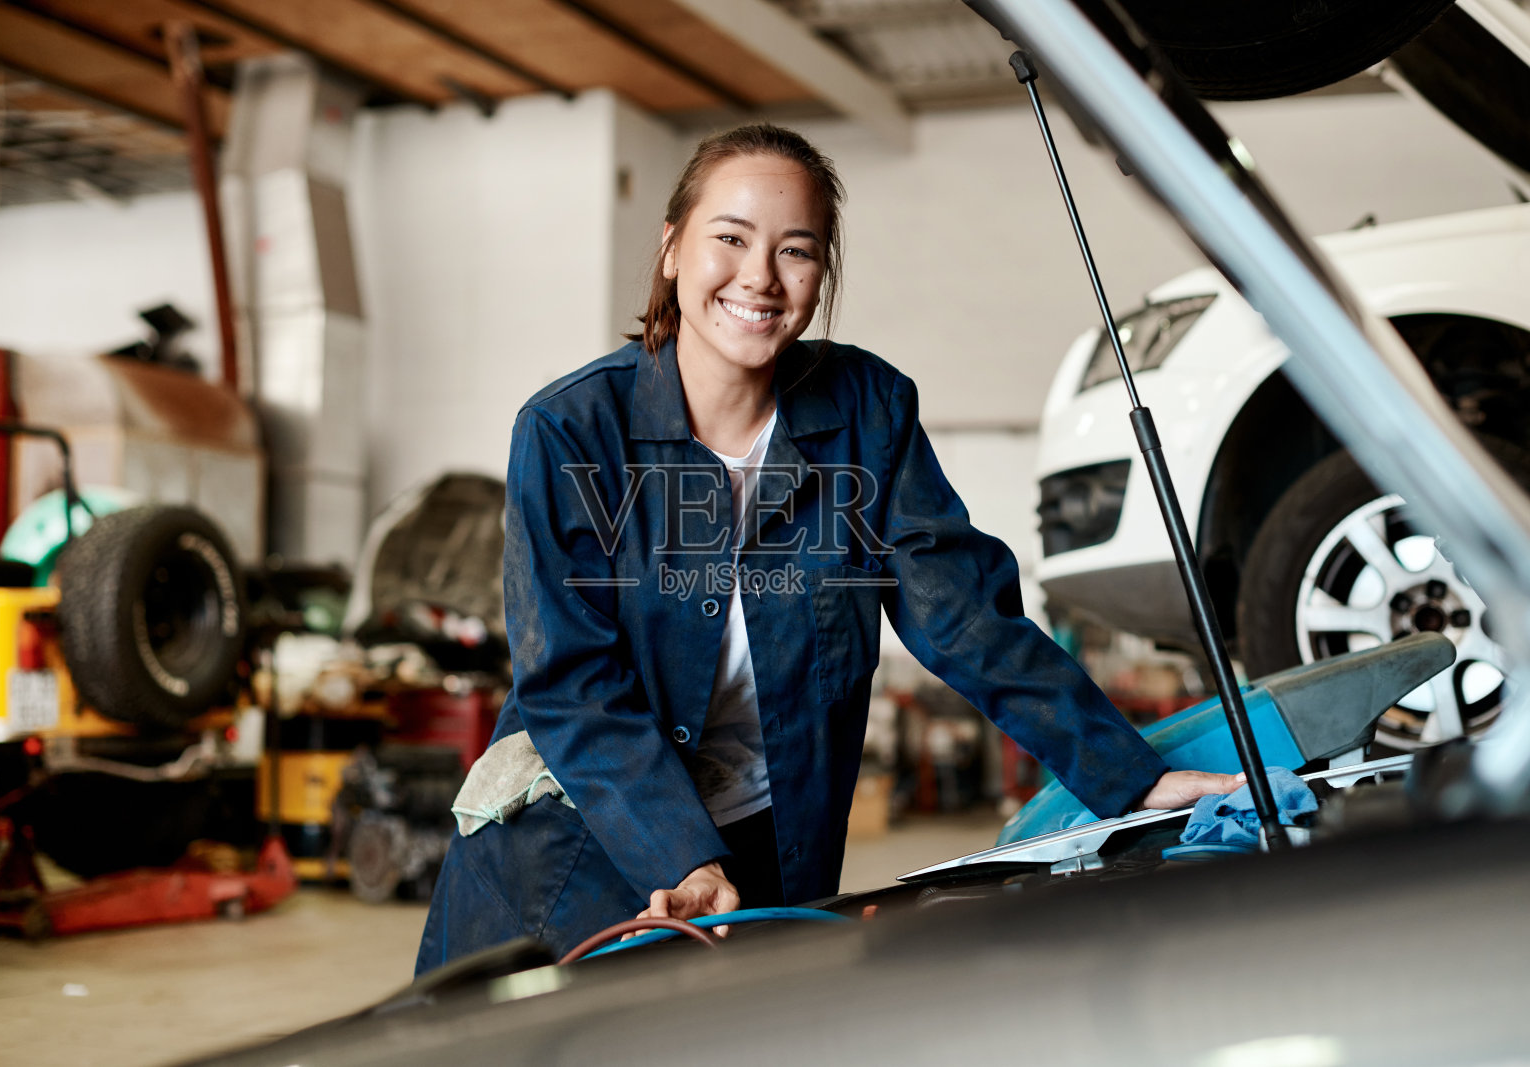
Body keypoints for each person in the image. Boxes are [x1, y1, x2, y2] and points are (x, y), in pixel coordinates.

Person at [414, 123, 1239, 972]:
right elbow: (571, 684)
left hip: (767, 858)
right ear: (671, 248)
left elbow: (964, 620)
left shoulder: (866, 413)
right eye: (730, 238)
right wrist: (682, 856)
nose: (760, 277)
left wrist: (1127, 775)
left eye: (796, 250)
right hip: (575, 852)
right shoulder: (570, 431)